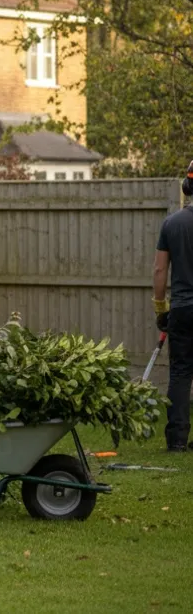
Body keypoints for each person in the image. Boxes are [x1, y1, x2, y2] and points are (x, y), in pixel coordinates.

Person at [154, 160, 193, 452]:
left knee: (180, 373)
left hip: (182, 309)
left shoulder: (172, 223)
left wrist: (160, 309)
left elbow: (159, 271)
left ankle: (177, 440)